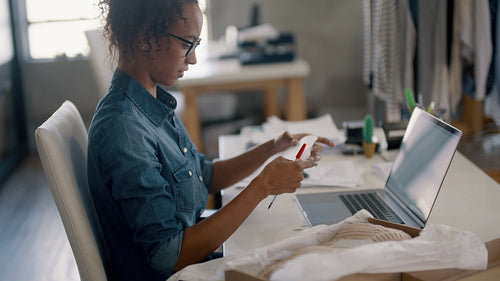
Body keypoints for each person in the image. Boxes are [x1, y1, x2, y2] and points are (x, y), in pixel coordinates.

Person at [87, 0, 335, 280]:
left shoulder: (149, 103)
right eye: (186, 45)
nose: (192, 59)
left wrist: (273, 147)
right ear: (146, 39)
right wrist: (262, 186)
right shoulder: (125, 129)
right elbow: (168, 258)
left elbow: (203, 176)